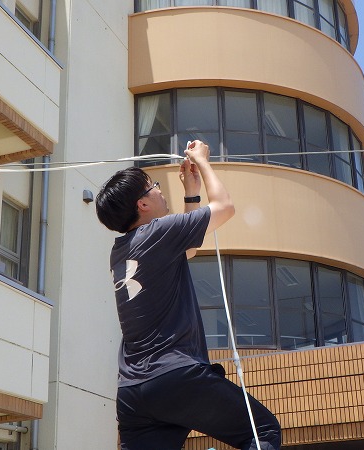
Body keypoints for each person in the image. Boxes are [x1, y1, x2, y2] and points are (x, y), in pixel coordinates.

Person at [95, 140, 281, 450]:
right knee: (262, 432)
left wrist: (191, 192)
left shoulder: (121, 251)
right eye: (153, 187)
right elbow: (225, 208)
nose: (159, 190)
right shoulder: (157, 232)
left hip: (132, 392)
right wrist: (203, 161)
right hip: (175, 375)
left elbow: (188, 249)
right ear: (142, 204)